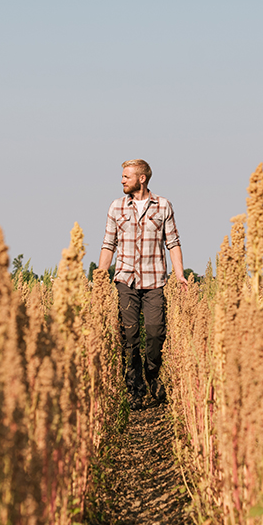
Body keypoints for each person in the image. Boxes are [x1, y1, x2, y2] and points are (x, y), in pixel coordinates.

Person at [98, 159, 188, 410]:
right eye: (122, 176)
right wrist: (100, 277)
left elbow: (173, 242)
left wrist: (179, 274)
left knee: (156, 332)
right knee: (129, 336)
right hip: (125, 279)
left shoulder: (163, 206)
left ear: (142, 178)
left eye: (127, 176)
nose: (122, 180)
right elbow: (108, 245)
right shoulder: (116, 207)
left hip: (154, 281)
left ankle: (153, 375)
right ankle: (134, 389)